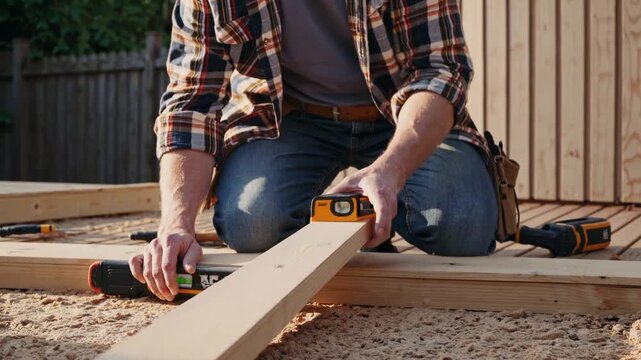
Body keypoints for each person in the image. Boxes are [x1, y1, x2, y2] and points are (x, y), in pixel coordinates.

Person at [129, 0, 498, 301]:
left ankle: (380, 212)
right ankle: (367, 221)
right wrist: (176, 225)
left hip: (403, 116)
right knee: (252, 223)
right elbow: (192, 103)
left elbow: (441, 70)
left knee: (463, 226)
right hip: (290, 119)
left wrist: (391, 171)